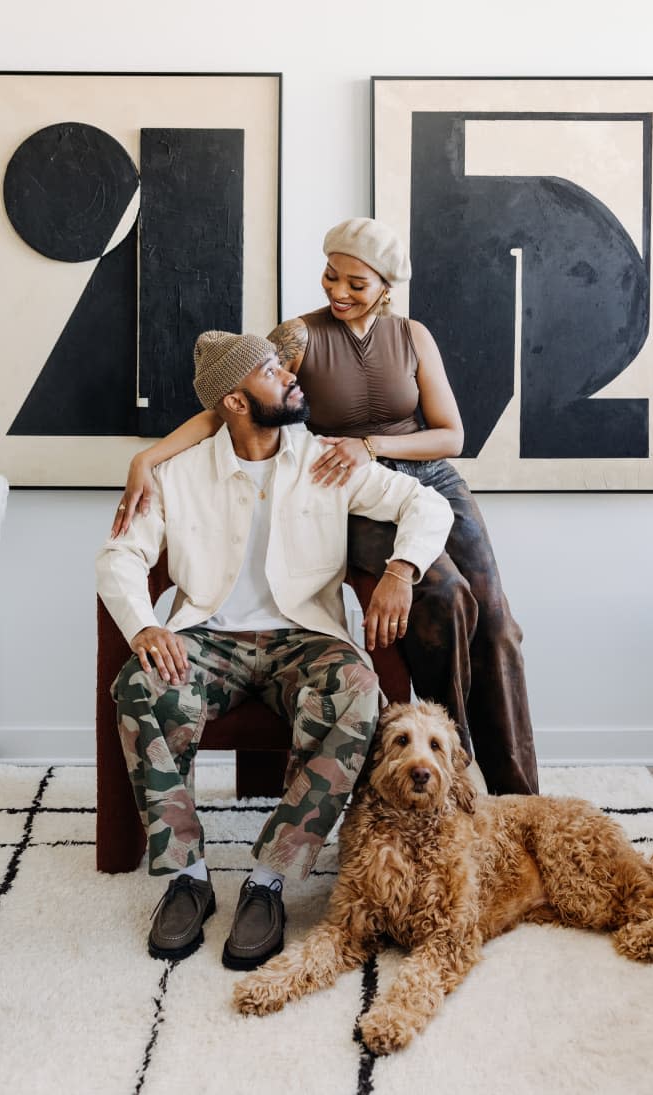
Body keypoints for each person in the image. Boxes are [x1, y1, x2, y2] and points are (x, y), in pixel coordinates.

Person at [111, 218, 539, 796]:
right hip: (346, 487)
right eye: (331, 275)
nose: (337, 291)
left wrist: (372, 446)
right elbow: (230, 399)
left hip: (426, 479)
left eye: (356, 284)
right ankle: (457, 780)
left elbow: (450, 436)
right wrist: (149, 459)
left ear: (386, 287)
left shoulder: (413, 336)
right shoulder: (299, 336)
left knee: (499, 626)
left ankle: (519, 797)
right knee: (446, 598)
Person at [96, 330, 452, 969]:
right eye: (270, 371)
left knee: (359, 688)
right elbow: (121, 553)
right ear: (234, 400)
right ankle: (189, 877)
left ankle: (269, 880)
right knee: (141, 683)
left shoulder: (326, 460)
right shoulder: (178, 475)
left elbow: (426, 505)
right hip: (206, 638)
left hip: (304, 639)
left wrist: (401, 571)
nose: (291, 377)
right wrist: (144, 626)